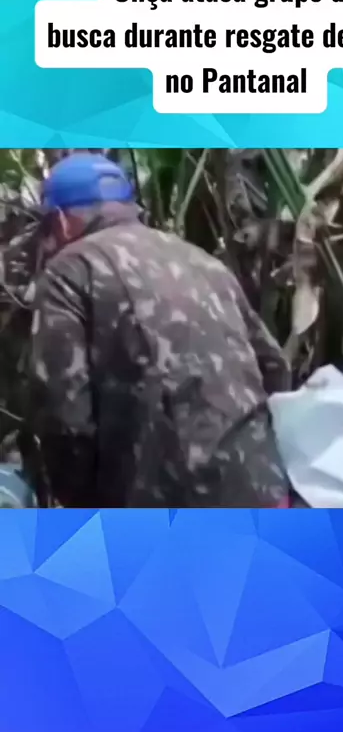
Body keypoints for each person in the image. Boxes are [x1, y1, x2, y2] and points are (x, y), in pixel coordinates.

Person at [29, 152, 291, 507]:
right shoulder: (201, 260)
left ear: (61, 222)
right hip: (261, 490)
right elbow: (274, 367)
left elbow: (65, 416)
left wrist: (79, 500)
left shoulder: (70, 270)